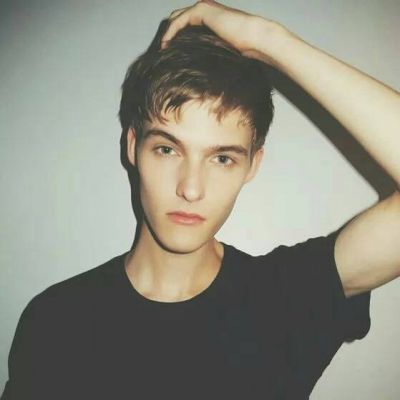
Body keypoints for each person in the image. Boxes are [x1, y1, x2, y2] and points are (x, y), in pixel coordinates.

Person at [2, 1, 399, 399]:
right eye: (167, 150)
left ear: (252, 165)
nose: (191, 189)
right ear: (132, 147)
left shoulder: (286, 300)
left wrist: (268, 40)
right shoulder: (56, 322)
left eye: (222, 158)